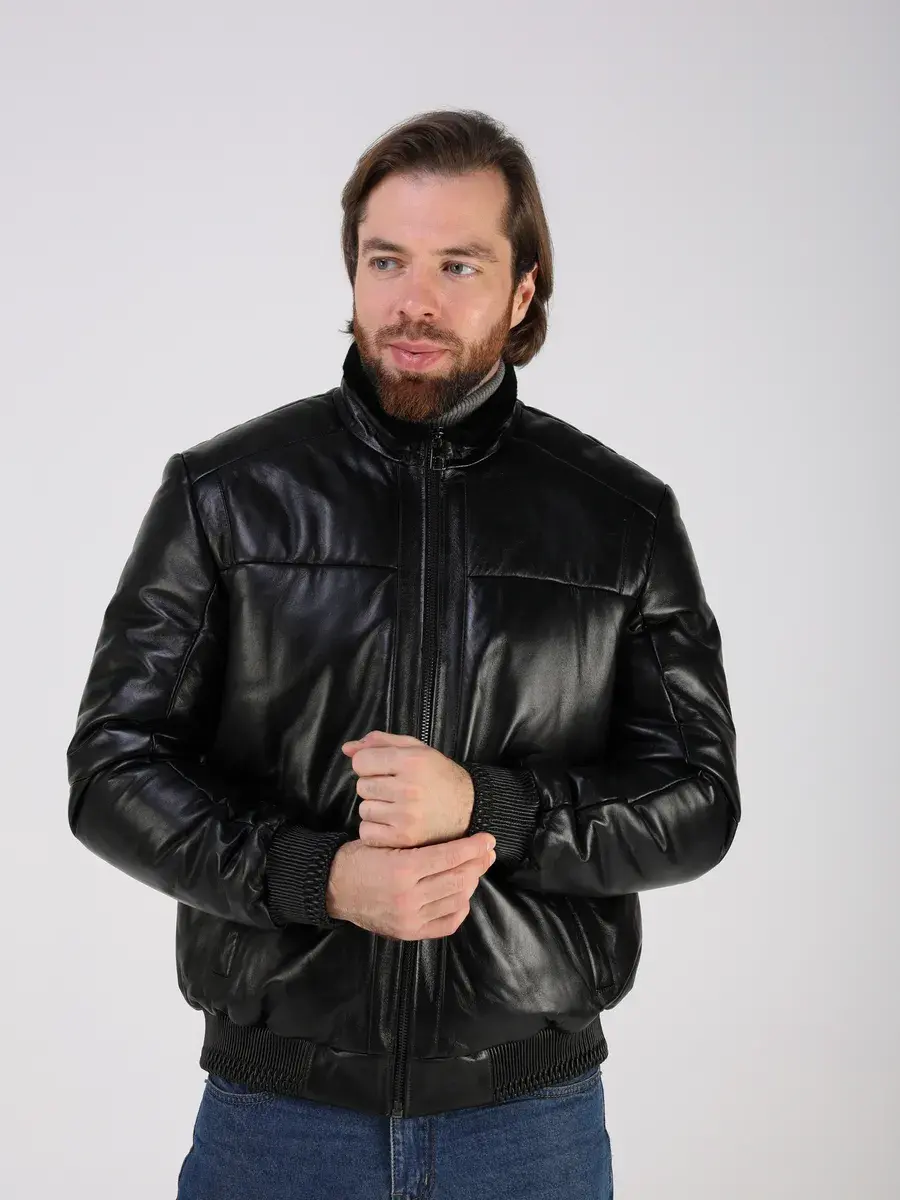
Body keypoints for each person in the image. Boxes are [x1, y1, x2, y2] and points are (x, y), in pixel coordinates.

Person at [66, 108, 741, 1200]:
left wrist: (489, 807)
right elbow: (111, 768)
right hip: (277, 1121)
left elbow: (699, 799)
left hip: (527, 1126)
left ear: (522, 292)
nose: (413, 300)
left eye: (457, 265)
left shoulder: (622, 521)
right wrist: (318, 877)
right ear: (353, 269)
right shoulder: (225, 497)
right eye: (387, 261)